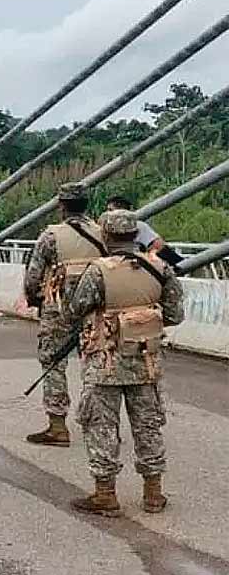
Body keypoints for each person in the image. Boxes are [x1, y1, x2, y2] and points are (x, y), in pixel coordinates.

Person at [63, 210, 185, 517]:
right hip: (146, 361)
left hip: (105, 362)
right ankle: (153, 494)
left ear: (106, 235)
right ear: (135, 235)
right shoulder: (160, 268)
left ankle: (106, 494)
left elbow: (76, 309)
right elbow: (174, 315)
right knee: (148, 426)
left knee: (101, 425)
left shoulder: (98, 270)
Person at [22, 183, 105, 447]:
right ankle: (97, 421)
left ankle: (57, 427)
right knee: (96, 362)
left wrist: (35, 299)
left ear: (61, 206)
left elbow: (33, 277)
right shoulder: (103, 234)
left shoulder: (51, 236)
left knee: (53, 362)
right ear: (87, 204)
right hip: (95, 308)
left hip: (59, 309)